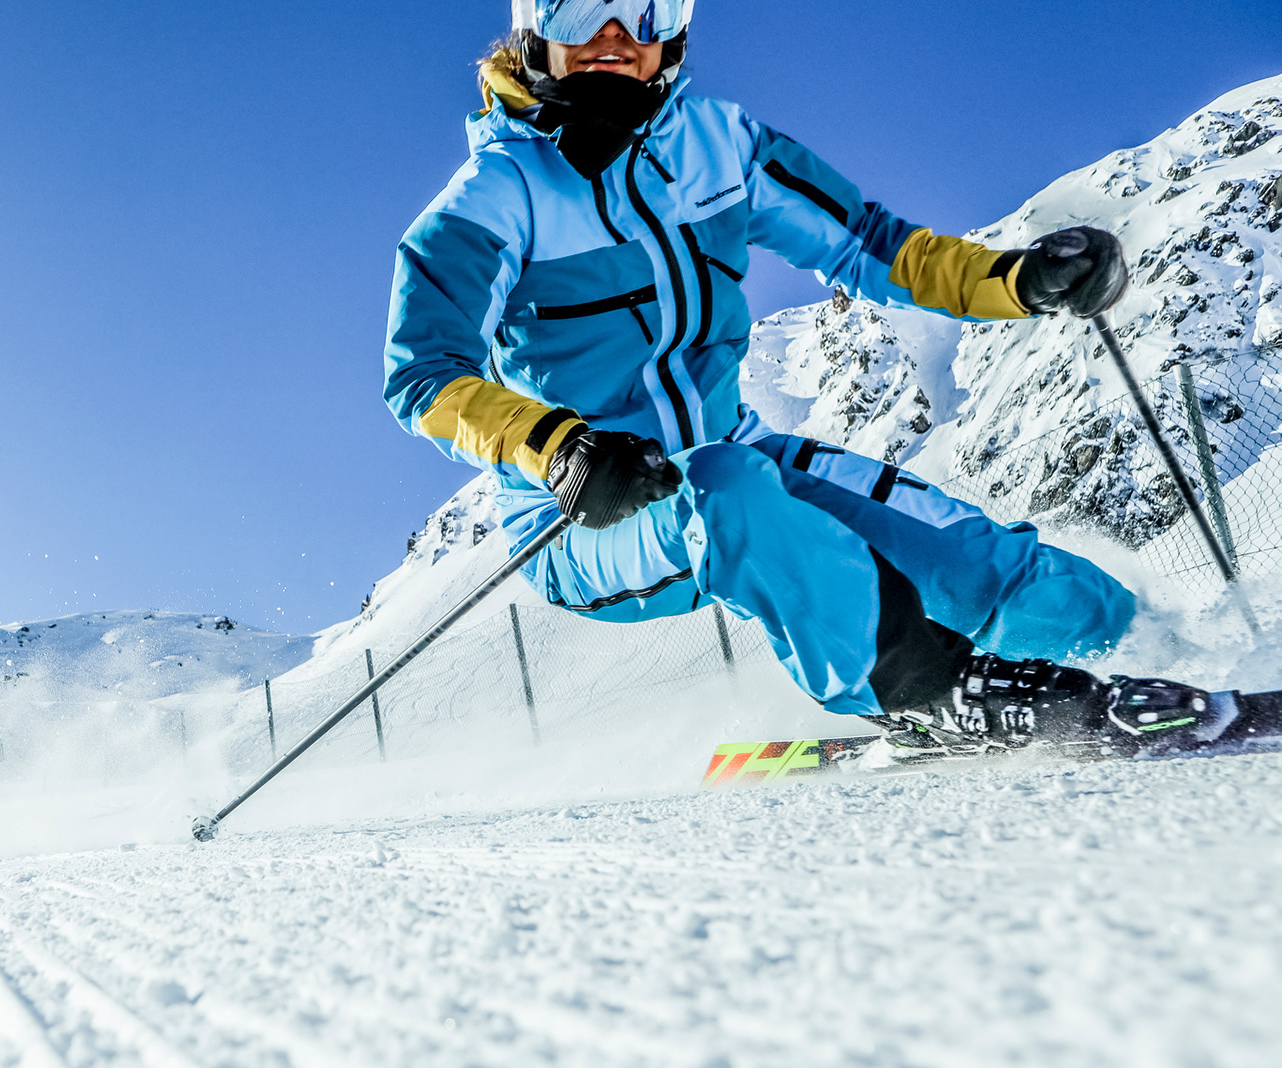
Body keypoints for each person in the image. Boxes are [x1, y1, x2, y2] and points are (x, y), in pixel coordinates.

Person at [383, 0, 1213, 750]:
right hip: (588, 515)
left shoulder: (719, 146)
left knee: (968, 558)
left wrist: (1017, 279)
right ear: (532, 27)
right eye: (579, 9)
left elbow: (867, 242)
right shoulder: (491, 198)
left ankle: (1176, 664)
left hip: (739, 457)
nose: (615, 35)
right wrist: (556, 447)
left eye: (647, 9)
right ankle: (929, 691)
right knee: (728, 487)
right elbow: (423, 373)